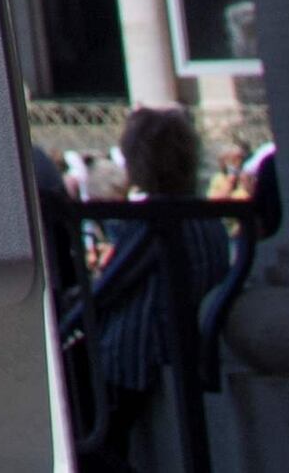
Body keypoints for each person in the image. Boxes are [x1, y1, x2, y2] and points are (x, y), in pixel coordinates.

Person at [64, 104, 225, 473]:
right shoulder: (210, 218)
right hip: (184, 343)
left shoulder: (152, 220)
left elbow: (111, 287)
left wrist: (74, 307)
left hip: (138, 354)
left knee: (88, 440)